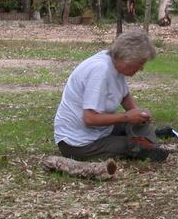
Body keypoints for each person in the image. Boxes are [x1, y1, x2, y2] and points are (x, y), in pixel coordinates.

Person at [54, 30, 169, 162]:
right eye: (141, 63)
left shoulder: (115, 64)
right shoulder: (100, 71)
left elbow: (124, 95)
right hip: (78, 143)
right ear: (128, 58)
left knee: (140, 124)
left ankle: (147, 143)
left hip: (100, 131)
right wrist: (127, 117)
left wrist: (138, 114)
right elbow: (89, 119)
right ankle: (146, 146)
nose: (141, 69)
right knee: (131, 145)